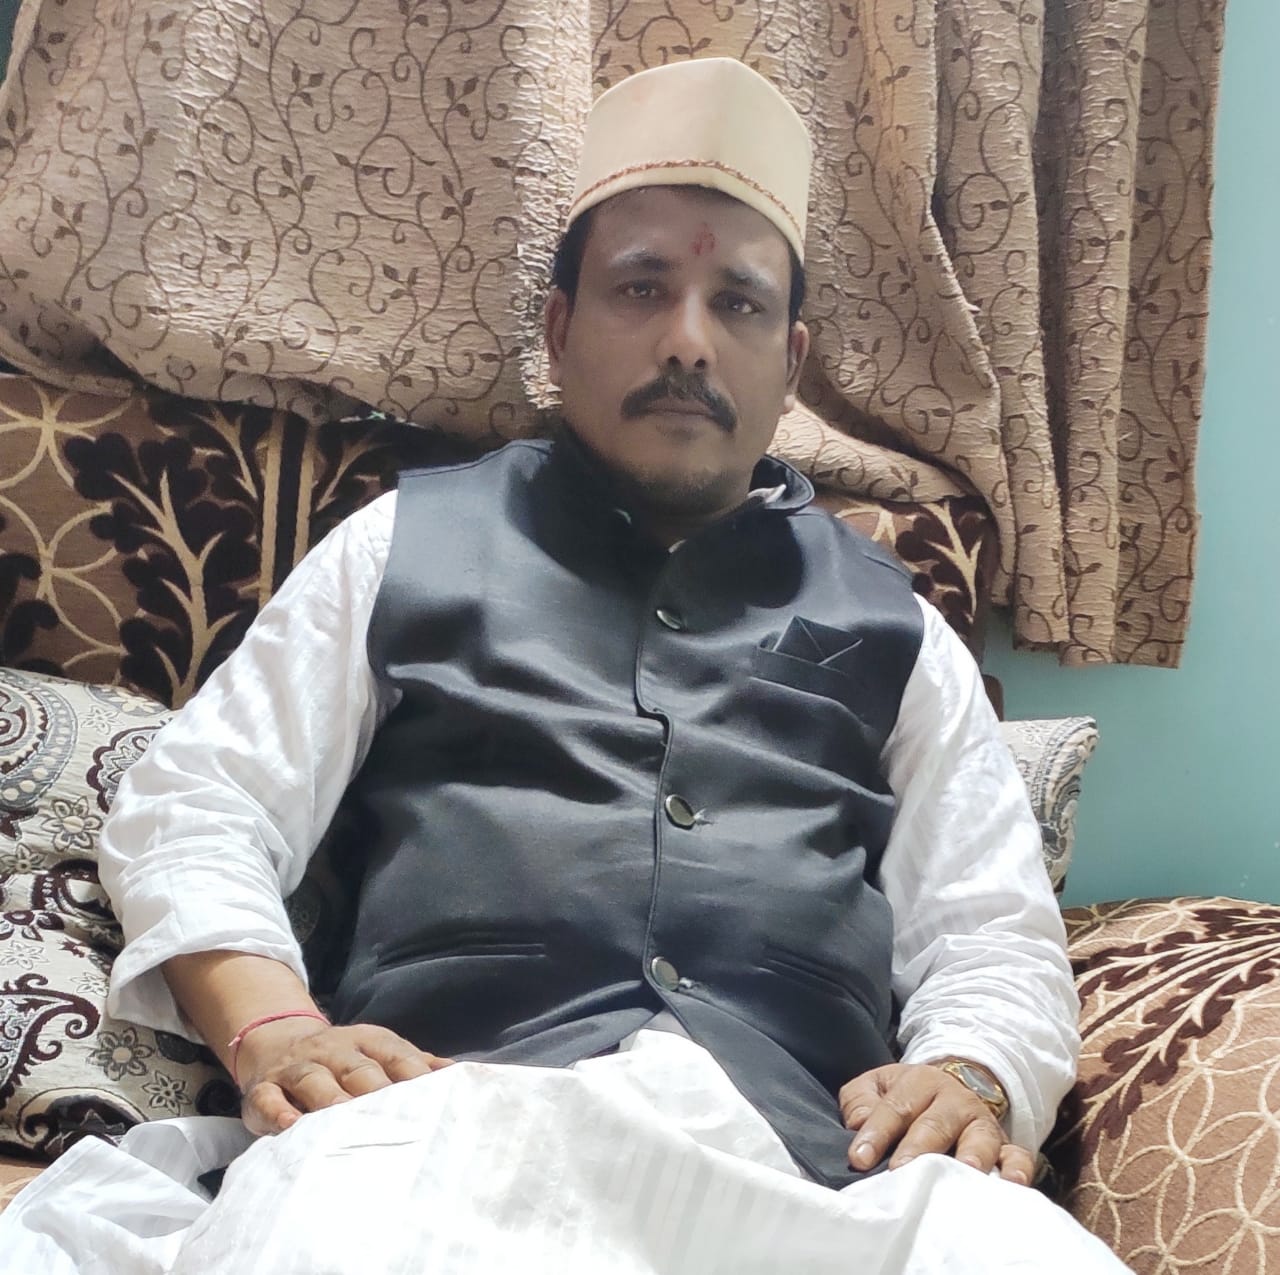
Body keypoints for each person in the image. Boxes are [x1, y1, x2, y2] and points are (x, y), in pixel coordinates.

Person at [0, 58, 1129, 1273]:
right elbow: (202, 802)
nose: (688, 341)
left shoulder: (895, 624)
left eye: (738, 305)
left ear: (790, 358)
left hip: (815, 1173)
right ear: (557, 328)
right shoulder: (400, 545)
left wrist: (969, 1072)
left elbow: (989, 926)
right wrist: (272, 1029)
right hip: (429, 1145)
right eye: (640, 288)